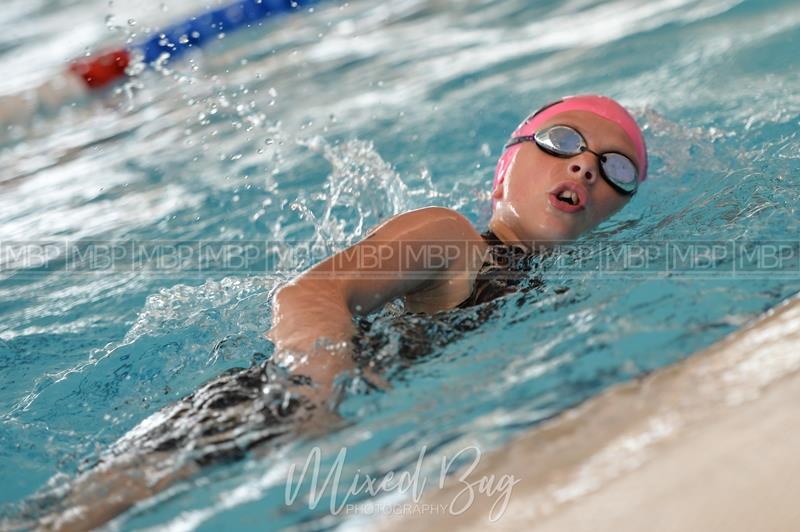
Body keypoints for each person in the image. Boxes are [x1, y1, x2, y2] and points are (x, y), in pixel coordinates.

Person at [26, 94, 648, 530]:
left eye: (616, 169)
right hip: (257, 406)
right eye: (562, 140)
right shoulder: (451, 236)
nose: (585, 164)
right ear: (505, 168)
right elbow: (308, 294)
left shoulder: (549, 282)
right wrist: (314, 394)